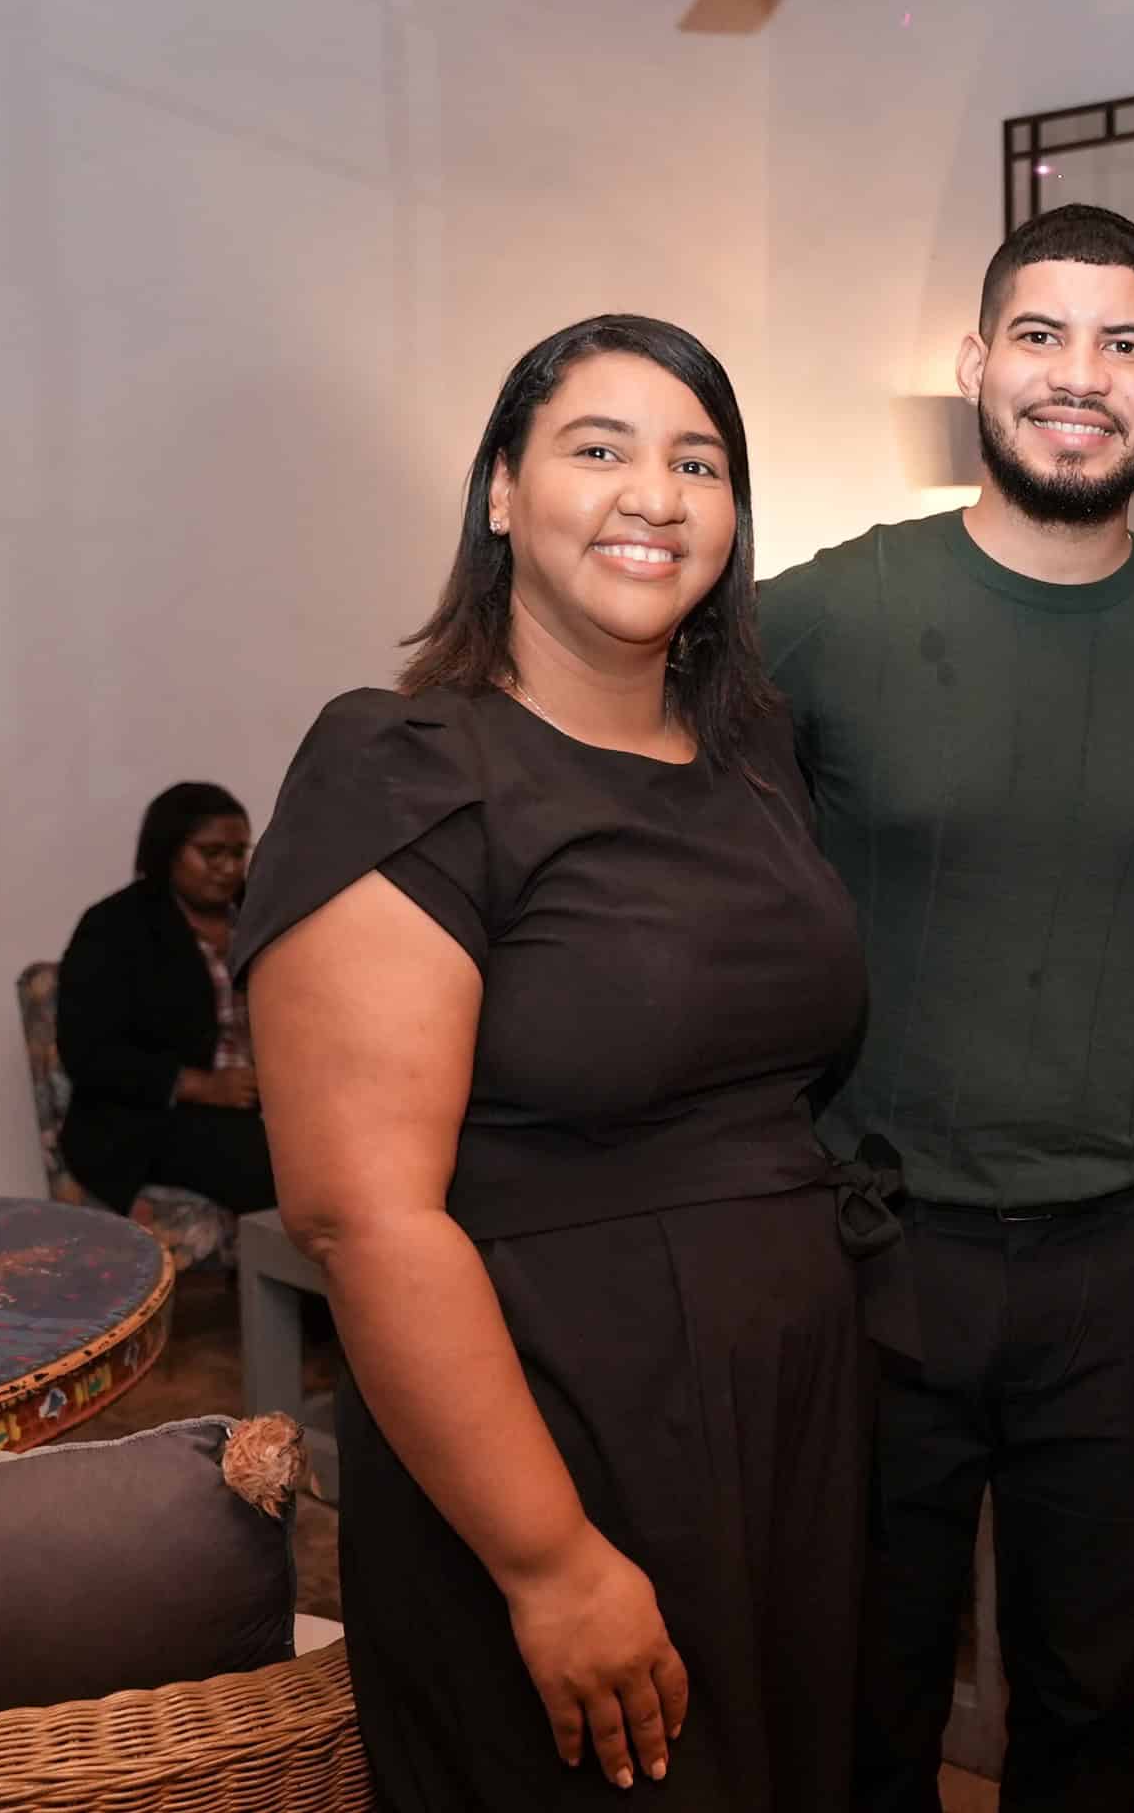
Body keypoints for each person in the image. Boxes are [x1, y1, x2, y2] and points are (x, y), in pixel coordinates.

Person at [233, 315, 871, 1811]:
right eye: (600, 448)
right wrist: (550, 1558)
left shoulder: (752, 759)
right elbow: (364, 1216)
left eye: (698, 460)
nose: (656, 492)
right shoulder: (404, 764)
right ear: (504, 492)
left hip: (788, 1416)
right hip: (550, 1423)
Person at [761, 203, 1134, 1813]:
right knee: (864, 1699)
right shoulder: (819, 616)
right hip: (873, 1248)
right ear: (978, 365)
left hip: (1125, 1257)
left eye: (1123, 343)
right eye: (1043, 337)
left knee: (1087, 1704)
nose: (1081, 377)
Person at [54, 782, 277, 1216]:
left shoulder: (260, 915)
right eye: (212, 853)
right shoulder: (114, 927)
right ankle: (283, 1285)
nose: (229, 867)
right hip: (147, 1119)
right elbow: (86, 1052)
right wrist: (202, 1085)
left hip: (261, 1106)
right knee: (273, 1163)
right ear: (168, 850)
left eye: (239, 852)